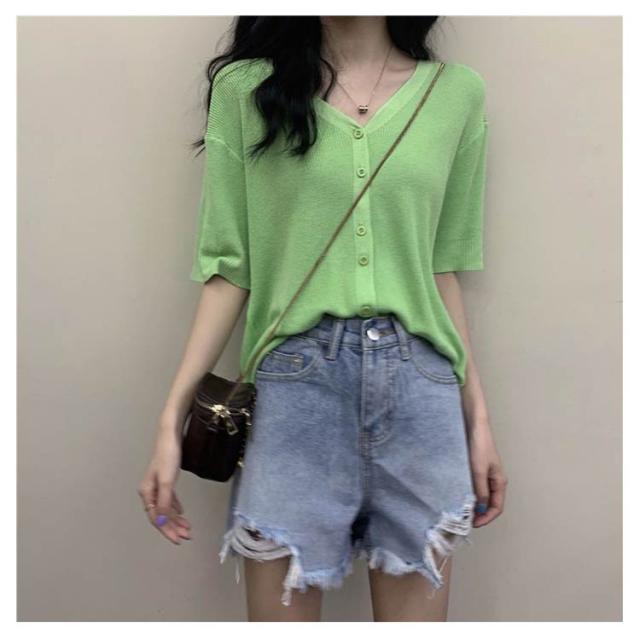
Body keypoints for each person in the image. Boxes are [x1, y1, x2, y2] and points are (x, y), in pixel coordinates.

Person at [138, 16, 507, 622]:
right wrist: (171, 415)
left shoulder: (456, 94)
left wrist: (479, 419)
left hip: (422, 399)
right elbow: (230, 270)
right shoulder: (247, 89)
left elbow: (443, 268)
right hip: (295, 396)